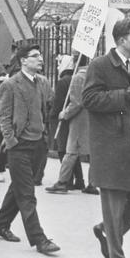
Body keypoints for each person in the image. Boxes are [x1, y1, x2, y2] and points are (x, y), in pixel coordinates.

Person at [82, 18, 130, 258]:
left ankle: (106, 232)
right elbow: (89, 99)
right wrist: (123, 95)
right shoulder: (100, 65)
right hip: (110, 147)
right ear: (122, 39)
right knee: (114, 208)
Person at [0, 44, 60, 255]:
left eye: (40, 56)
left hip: (38, 144)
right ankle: (39, 239)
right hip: (19, 146)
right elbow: (3, 116)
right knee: (27, 193)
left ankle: (0, 225)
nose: (40, 59)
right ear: (23, 61)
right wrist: (11, 141)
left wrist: (45, 137)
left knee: (19, 188)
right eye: (35, 56)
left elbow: (47, 107)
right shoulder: (10, 85)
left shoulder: (43, 83)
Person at [46, 55, 97, 194]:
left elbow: (76, 103)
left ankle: (62, 182)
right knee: (92, 153)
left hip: (80, 120)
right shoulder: (95, 76)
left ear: (75, 62)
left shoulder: (78, 78)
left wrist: (64, 113)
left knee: (71, 151)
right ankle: (92, 183)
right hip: (93, 118)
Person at [50, 55, 84, 190]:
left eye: (59, 64)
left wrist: (54, 114)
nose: (58, 67)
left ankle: (66, 180)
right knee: (72, 151)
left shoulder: (64, 81)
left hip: (64, 118)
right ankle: (79, 180)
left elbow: (59, 103)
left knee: (64, 150)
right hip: (74, 118)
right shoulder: (74, 78)